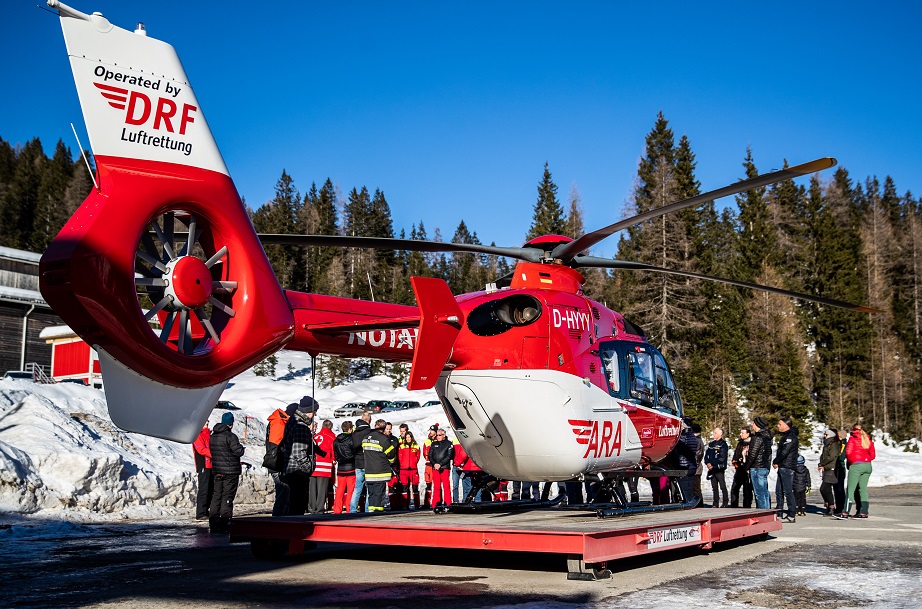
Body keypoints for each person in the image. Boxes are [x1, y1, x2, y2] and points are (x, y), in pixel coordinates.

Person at [280, 403, 322, 516]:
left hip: (290, 468)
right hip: (298, 471)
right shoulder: (301, 426)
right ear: (309, 412)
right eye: (314, 411)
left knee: (292, 503)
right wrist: (307, 467)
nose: (315, 414)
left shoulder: (292, 422)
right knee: (297, 505)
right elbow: (299, 451)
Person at [208, 412, 245, 533]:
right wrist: (241, 448)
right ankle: (225, 522)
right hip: (230, 471)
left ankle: (213, 523)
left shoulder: (213, 436)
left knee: (216, 496)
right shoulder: (230, 436)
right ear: (231, 424)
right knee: (227, 497)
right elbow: (238, 451)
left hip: (217, 470)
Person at [265, 403, 295, 516]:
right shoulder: (279, 422)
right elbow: (275, 445)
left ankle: (279, 520)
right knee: (282, 494)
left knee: (283, 494)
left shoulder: (281, 421)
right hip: (278, 464)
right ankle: (277, 521)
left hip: (278, 463)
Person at [841, 423, 876, 519]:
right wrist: (865, 459)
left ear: (853, 430)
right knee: (863, 489)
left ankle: (845, 511)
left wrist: (853, 461)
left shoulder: (853, 439)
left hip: (856, 465)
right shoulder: (867, 438)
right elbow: (873, 455)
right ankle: (864, 511)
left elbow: (848, 452)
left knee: (851, 489)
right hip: (867, 466)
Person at [362, 419, 397, 512]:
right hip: (380, 472)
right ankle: (377, 513)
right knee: (379, 494)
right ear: (384, 428)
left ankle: (370, 512)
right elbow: (391, 455)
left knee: (371, 494)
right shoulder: (383, 439)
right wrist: (391, 462)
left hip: (369, 471)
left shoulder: (365, 438)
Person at [773, 415, 799, 523]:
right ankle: (779, 512)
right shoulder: (785, 436)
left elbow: (784, 452)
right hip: (783, 466)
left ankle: (792, 514)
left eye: (780, 424)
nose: (778, 426)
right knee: (778, 491)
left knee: (787, 491)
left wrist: (776, 461)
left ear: (786, 425)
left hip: (787, 467)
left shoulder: (790, 437)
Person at [309, 419, 336, 514]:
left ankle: (312, 507)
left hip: (314, 465)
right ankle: (320, 508)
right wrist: (334, 459)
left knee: (312, 488)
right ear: (331, 427)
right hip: (325, 465)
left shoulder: (315, 436)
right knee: (322, 489)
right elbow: (334, 451)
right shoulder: (332, 437)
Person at [745, 417, 773, 510]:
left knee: (759, 493)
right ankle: (767, 511)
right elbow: (769, 454)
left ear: (757, 425)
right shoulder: (768, 437)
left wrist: (747, 467)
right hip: (764, 466)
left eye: (753, 423)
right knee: (764, 492)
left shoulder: (757, 437)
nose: (752, 425)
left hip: (757, 467)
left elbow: (752, 454)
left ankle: (763, 513)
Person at [349, 414, 372, 513]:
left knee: (357, 488)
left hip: (358, 463)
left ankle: (352, 509)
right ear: (369, 421)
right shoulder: (369, 432)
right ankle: (367, 508)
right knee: (369, 488)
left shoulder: (354, 433)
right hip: (368, 462)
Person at [332, 421, 356, 514]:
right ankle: (349, 510)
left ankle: (337, 510)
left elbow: (335, 453)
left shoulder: (336, 440)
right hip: (351, 467)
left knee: (339, 491)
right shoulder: (351, 439)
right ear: (350, 429)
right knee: (350, 491)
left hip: (341, 468)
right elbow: (354, 452)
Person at [428, 427, 454, 509]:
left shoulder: (449, 444)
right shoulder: (433, 444)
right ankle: (436, 503)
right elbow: (430, 455)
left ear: (444, 435)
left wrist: (440, 464)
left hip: (444, 468)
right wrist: (434, 464)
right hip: (435, 468)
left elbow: (449, 456)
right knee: (436, 486)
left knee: (446, 486)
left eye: (440, 435)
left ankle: (448, 503)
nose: (438, 437)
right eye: (437, 435)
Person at [817, 428, 841, 517]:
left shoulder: (834, 444)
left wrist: (822, 463)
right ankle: (829, 505)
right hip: (826, 468)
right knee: (825, 489)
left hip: (831, 468)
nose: (825, 436)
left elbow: (831, 457)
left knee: (824, 488)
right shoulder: (827, 444)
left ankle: (831, 506)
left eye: (826, 435)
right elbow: (824, 456)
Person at [675, 417, 699, 505]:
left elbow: (678, 447)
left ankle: (688, 503)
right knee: (689, 487)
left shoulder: (683, 437)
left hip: (684, 465)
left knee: (684, 488)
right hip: (692, 465)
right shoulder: (692, 436)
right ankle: (690, 501)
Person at [704, 427, 729, 508]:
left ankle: (725, 502)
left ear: (720, 434)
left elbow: (722, 458)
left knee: (722, 486)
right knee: (714, 487)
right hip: (712, 469)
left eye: (715, 433)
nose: (714, 434)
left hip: (719, 468)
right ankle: (715, 503)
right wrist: (708, 463)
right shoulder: (711, 444)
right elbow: (707, 455)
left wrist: (713, 463)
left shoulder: (723, 444)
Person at [192, 423, 213, 521]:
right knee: (204, 489)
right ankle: (201, 512)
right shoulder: (198, 435)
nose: (207, 423)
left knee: (210, 489)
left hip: (211, 464)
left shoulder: (209, 434)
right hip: (204, 464)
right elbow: (201, 449)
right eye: (205, 422)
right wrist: (215, 454)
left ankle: (206, 510)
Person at [729, 427, 753, 508]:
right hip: (739, 469)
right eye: (741, 433)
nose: (741, 434)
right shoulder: (740, 443)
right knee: (734, 489)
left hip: (747, 469)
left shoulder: (752, 443)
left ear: (748, 433)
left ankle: (747, 506)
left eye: (743, 433)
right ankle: (734, 505)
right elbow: (735, 455)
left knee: (747, 490)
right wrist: (735, 461)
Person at [398, 430, 422, 509]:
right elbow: (400, 457)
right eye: (406, 437)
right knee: (405, 488)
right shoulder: (402, 446)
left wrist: (414, 462)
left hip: (413, 469)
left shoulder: (416, 446)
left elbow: (418, 456)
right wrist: (403, 464)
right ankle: (405, 505)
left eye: (409, 437)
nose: (408, 439)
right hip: (404, 470)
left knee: (415, 488)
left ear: (412, 437)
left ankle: (417, 505)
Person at [422, 424, 438, 507]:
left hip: (435, 466)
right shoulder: (427, 441)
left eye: (432, 430)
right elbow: (424, 453)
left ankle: (437, 502)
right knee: (428, 484)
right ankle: (426, 503)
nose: (430, 432)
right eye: (430, 430)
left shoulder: (438, 440)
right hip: (428, 465)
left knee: (437, 484)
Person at [834, 429, 848, 516]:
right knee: (836, 487)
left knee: (839, 488)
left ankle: (841, 507)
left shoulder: (843, 444)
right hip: (836, 467)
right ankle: (838, 506)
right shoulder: (839, 443)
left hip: (840, 467)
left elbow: (841, 456)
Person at [691, 423, 705, 505]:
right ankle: (698, 502)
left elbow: (698, 455)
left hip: (696, 468)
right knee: (695, 487)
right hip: (696, 467)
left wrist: (693, 464)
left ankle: (699, 503)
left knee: (696, 488)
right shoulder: (698, 440)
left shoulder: (697, 441)